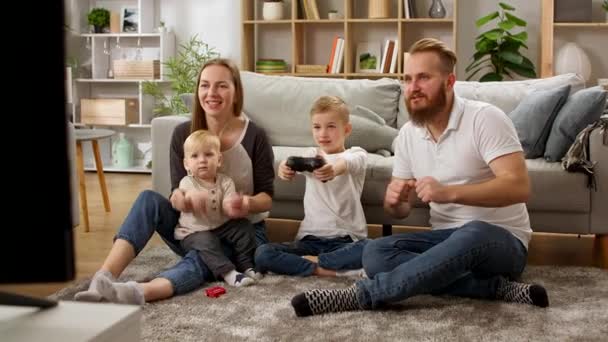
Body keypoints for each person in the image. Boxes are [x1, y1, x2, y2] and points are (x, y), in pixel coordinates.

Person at [290, 38, 549, 317]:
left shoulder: (485, 119)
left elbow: (518, 187)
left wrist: (449, 192)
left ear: (450, 82)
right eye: (408, 78)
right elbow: (399, 212)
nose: (412, 87)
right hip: (443, 243)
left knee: (475, 230)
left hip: (501, 242)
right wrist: (396, 201)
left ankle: (365, 294)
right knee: (376, 253)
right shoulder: (408, 136)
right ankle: (491, 289)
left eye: (424, 77)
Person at [75, 58, 274, 305]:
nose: (211, 93)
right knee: (149, 200)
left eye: (221, 86)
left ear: (236, 93)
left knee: (205, 257)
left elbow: (267, 197)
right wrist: (184, 200)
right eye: (204, 85)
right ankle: (103, 278)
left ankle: (140, 292)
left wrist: (244, 204)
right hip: (192, 230)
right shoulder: (183, 134)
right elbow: (176, 192)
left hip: (239, 234)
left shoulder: (255, 135)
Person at [255, 96, 368, 278]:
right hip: (309, 241)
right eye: (317, 127)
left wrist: (333, 170)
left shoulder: (357, 154)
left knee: (372, 248)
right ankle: (326, 269)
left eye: (331, 126)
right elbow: (292, 162)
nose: (323, 133)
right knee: (263, 253)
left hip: (346, 240)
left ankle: (311, 262)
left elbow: (347, 163)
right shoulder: (311, 154)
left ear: (346, 129)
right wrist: (284, 167)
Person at [176, 130, 261, 287]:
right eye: (195, 156)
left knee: (244, 226)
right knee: (205, 240)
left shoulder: (226, 182)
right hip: (193, 232)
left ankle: (245, 263)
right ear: (186, 164)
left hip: (222, 227)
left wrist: (234, 205)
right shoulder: (187, 183)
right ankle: (228, 273)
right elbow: (183, 200)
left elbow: (228, 206)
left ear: (219, 159)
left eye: (208, 155)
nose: (202, 160)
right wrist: (190, 199)